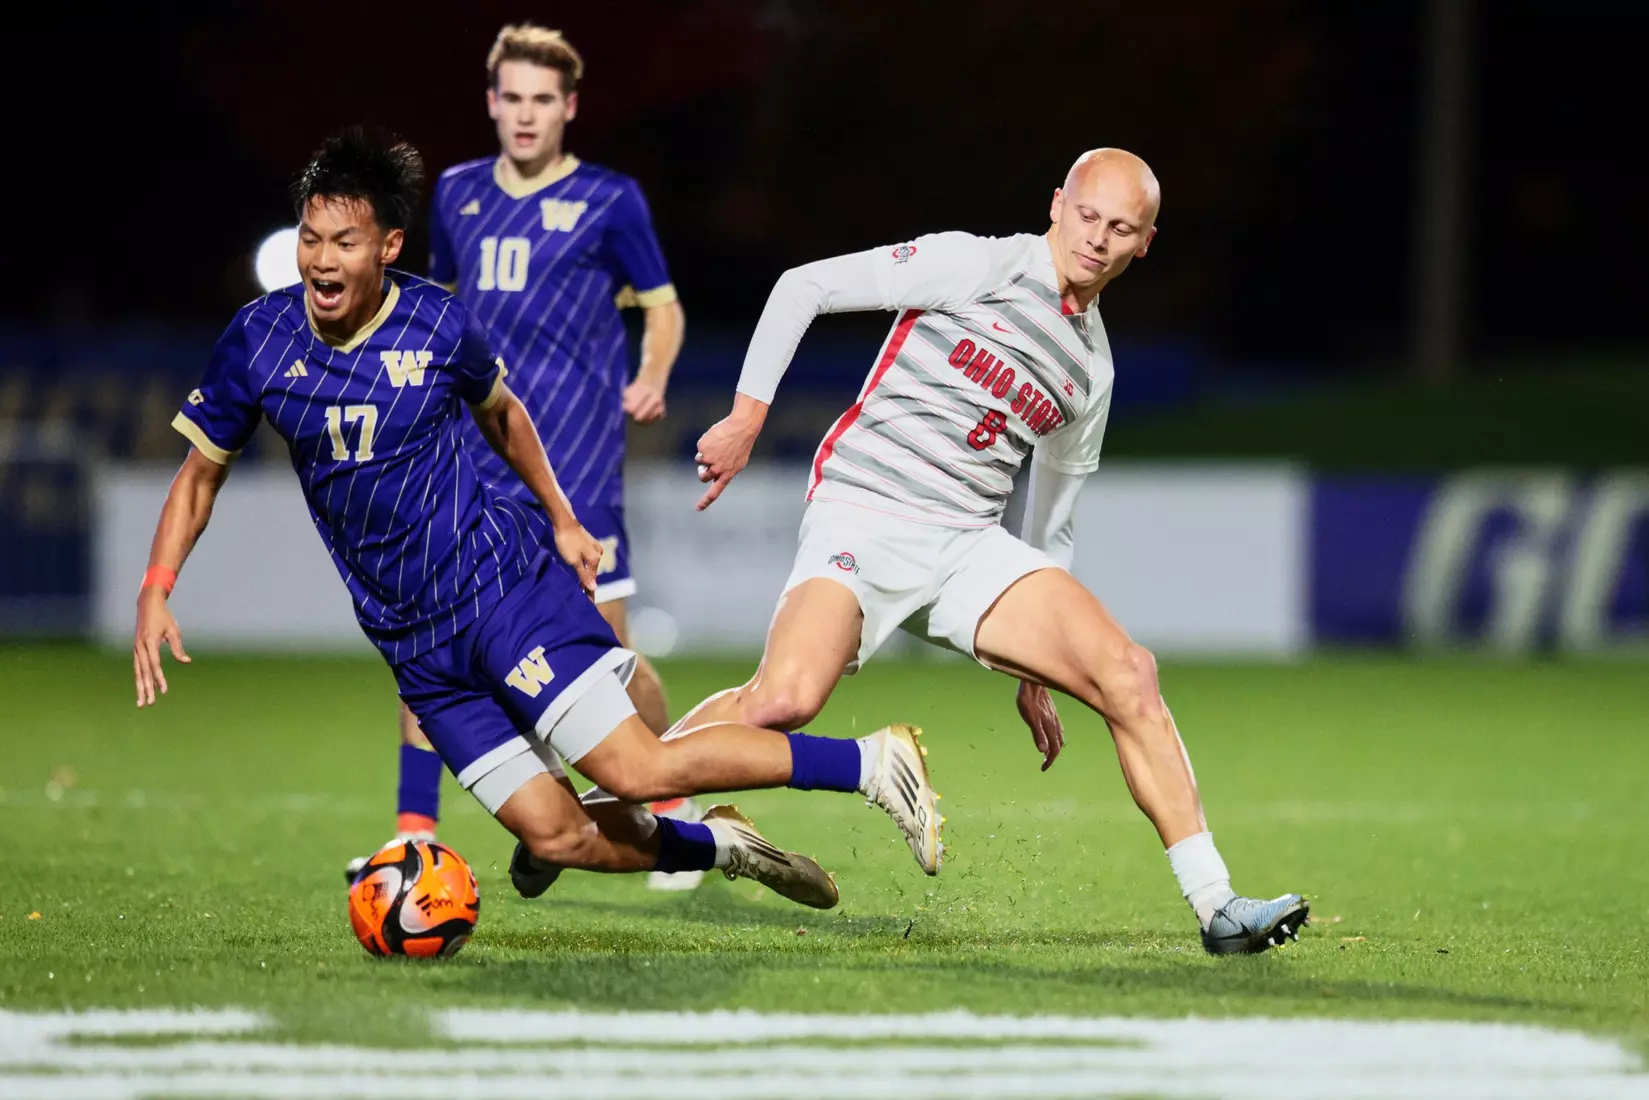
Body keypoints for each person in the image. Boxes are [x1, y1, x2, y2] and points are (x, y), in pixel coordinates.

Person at [131, 127, 941, 914]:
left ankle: (869, 764)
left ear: (388, 247)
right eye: (311, 238)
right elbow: (201, 474)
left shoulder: (437, 321)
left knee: (636, 770)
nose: (319, 260)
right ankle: (726, 848)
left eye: (344, 241)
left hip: (503, 592)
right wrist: (157, 587)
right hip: (416, 648)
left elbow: (505, 415)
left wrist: (559, 519)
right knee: (554, 837)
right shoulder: (259, 340)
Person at [683, 148, 1306, 954]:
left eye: (1121, 228)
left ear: (1143, 243)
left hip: (967, 544)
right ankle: (620, 791)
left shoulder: (1090, 368)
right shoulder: (972, 264)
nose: (1097, 239)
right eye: (1086, 215)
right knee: (782, 702)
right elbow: (802, 284)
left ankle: (1216, 904)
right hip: (864, 514)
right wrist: (745, 417)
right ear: (1057, 204)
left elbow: (1053, 516)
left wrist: (1031, 667)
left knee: (1128, 674)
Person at [352, 24, 697, 887]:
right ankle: (413, 838)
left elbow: (663, 308)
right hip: (470, 472)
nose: (525, 114)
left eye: (543, 99)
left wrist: (652, 374)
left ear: (569, 108)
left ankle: (670, 809)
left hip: (577, 474)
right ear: (491, 101)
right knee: (424, 643)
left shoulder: (611, 201)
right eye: (512, 97)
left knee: (609, 675)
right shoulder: (460, 194)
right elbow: (436, 314)